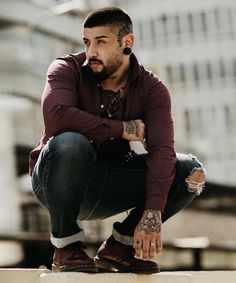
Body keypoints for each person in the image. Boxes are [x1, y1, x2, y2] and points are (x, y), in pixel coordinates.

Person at [29, 6, 206, 274]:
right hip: (57, 179)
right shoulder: (66, 68)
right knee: (70, 142)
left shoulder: (152, 90)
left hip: (111, 179)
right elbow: (57, 117)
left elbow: (162, 150)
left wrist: (154, 211)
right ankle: (66, 246)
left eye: (101, 42)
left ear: (127, 43)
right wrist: (122, 128)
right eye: (87, 42)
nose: (91, 52)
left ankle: (119, 248)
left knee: (190, 172)